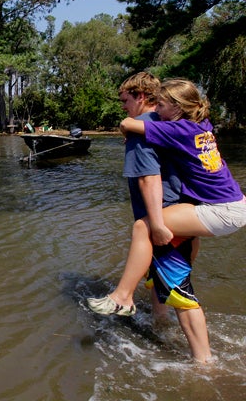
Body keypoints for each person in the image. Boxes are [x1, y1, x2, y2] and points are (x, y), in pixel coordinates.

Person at [89, 77, 246, 363]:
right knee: (162, 284)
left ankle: (204, 365)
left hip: (219, 209)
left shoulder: (170, 129)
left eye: (125, 100)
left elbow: (149, 176)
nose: (123, 108)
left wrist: (159, 224)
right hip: (221, 205)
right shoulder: (199, 125)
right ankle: (160, 328)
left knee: (175, 283)